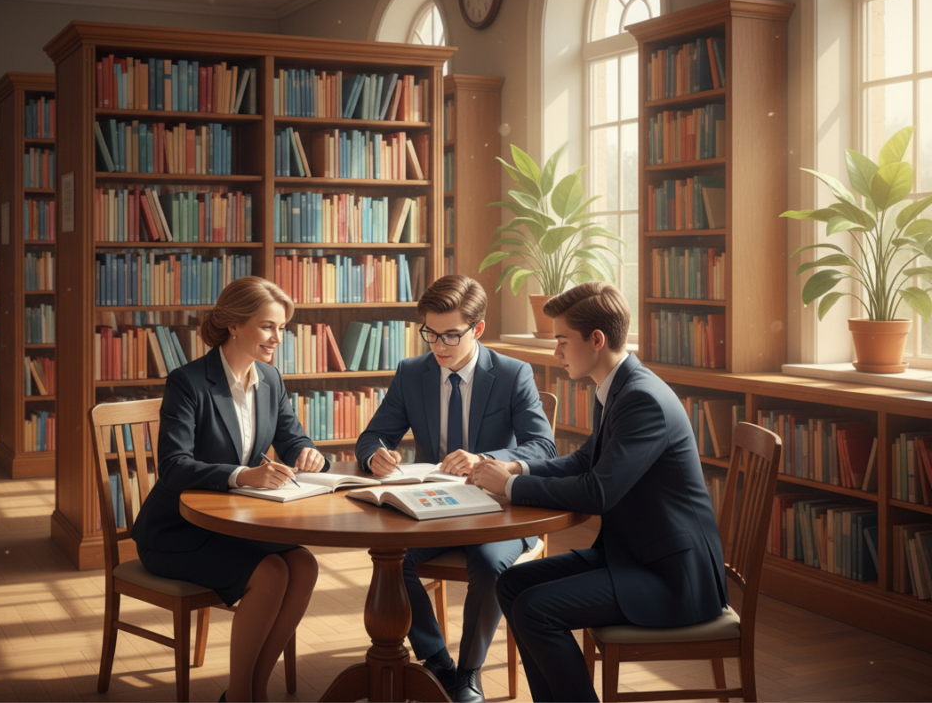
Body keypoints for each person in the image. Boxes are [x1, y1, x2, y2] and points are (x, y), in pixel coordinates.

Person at [470, 282, 728, 703]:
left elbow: (598, 492)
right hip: (634, 556)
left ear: (596, 340)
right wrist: (517, 467)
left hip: (674, 578)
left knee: (536, 609)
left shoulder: (641, 398)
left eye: (562, 341)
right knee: (512, 584)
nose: (556, 353)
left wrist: (512, 487)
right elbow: (584, 462)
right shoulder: (617, 387)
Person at [354, 274, 557, 703]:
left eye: (451, 335)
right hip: (434, 508)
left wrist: (485, 460)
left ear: (477, 329)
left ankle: (468, 673)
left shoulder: (511, 373)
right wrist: (376, 455)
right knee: (392, 561)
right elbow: (372, 436)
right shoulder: (413, 372)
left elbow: (543, 446)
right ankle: (437, 662)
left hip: (501, 509)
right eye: (430, 333)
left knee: (488, 564)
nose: (439, 346)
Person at [132, 276, 328, 703]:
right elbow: (173, 467)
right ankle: (240, 696)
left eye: (282, 328)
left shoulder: (271, 379)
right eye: (267, 326)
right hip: (177, 530)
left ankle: (253, 690)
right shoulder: (189, 382)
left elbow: (293, 438)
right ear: (235, 326)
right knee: (273, 572)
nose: (278, 338)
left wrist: (309, 453)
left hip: (235, 524)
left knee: (305, 566)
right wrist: (243, 475)